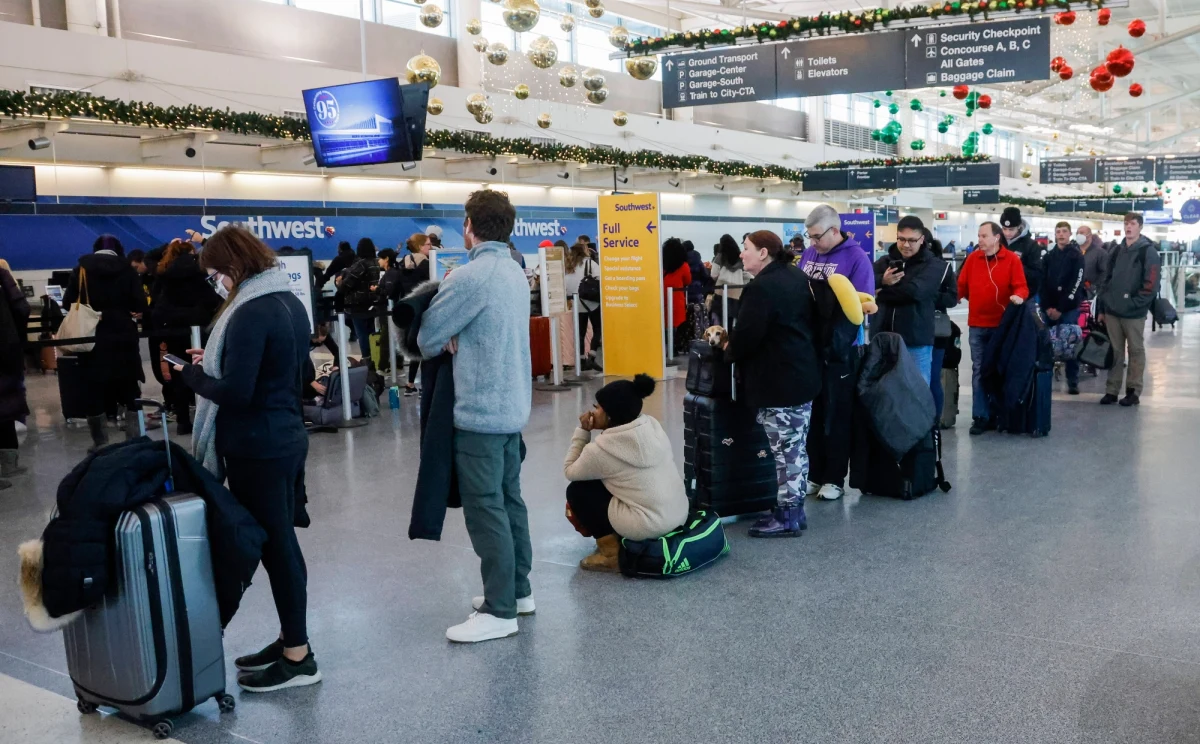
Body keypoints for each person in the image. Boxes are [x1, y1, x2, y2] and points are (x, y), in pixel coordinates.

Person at [170, 225, 318, 693]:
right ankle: (290, 641)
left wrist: (192, 376)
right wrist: (215, 362)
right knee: (278, 545)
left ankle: (299, 657)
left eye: (215, 274)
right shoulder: (288, 302)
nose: (216, 283)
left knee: (277, 548)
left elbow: (236, 393)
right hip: (284, 436)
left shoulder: (251, 311)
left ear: (232, 267)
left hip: (259, 446)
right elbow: (297, 371)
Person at [418, 189, 533, 644]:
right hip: (511, 406)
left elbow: (427, 337)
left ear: (469, 226)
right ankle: (518, 591)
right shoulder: (514, 271)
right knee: (510, 503)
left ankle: (500, 609)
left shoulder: (469, 276)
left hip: (479, 410)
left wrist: (447, 333)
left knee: (485, 510)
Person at [723, 231, 821, 538]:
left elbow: (747, 336)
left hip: (779, 381)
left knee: (786, 450)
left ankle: (788, 515)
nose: (742, 254)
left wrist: (728, 350)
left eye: (747, 248)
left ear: (763, 253)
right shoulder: (794, 276)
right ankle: (793, 509)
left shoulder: (763, 288)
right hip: (801, 374)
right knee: (795, 447)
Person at [563, 374, 687, 572]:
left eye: (598, 407)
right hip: (677, 514)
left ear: (610, 415)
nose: (593, 411)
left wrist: (582, 431)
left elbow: (570, 470)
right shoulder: (652, 425)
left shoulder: (603, 449)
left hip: (647, 525)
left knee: (579, 491)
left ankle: (610, 554)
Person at [798, 205, 874, 501]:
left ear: (834, 230)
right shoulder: (809, 254)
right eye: (809, 236)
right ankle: (815, 474)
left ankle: (835, 477)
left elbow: (862, 306)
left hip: (842, 349)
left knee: (838, 414)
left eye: (816, 236)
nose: (812, 242)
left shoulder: (856, 258)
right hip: (811, 347)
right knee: (813, 413)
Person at [63, 235, 146, 450]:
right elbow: (139, 302)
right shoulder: (128, 269)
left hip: (92, 333)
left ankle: (100, 441)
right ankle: (134, 438)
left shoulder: (80, 269)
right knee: (129, 385)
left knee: (94, 387)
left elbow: (68, 301)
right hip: (123, 333)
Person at [957, 222, 1029, 436]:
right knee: (979, 370)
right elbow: (961, 286)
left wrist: (1019, 296)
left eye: (984, 236)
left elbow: (1022, 286)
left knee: (1001, 369)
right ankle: (981, 416)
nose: (980, 240)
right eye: (978, 235)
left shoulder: (1012, 260)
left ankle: (1001, 413)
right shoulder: (972, 259)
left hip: (1002, 327)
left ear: (997, 237)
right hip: (978, 324)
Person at [151, 239, 222, 435]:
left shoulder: (165, 274)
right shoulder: (200, 272)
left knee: (178, 373)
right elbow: (212, 300)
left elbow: (157, 304)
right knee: (203, 368)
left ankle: (183, 420)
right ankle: (205, 418)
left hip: (174, 330)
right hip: (201, 328)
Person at [871, 216, 952, 385]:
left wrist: (881, 293)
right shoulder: (884, 262)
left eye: (912, 240)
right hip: (883, 338)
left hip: (916, 340)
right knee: (883, 392)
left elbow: (915, 292)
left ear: (922, 239)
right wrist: (883, 281)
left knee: (917, 391)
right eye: (901, 239)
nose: (906, 245)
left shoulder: (935, 265)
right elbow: (864, 282)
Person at [1097, 212, 1160, 407]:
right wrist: (1104, 303)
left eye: (1132, 223)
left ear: (1140, 227)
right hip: (1113, 310)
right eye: (1126, 223)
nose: (1128, 227)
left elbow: (1152, 283)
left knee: (1135, 350)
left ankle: (1133, 390)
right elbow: (1105, 279)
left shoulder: (1147, 251)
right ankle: (1112, 390)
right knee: (1115, 351)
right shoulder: (1116, 251)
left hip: (1134, 313)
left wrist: (1136, 303)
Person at [1041, 221, 1086, 395]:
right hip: (1049, 307)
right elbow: (1042, 283)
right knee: (1046, 343)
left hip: (1068, 307)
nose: (1061, 234)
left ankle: (1073, 381)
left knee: (1071, 344)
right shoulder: (1048, 257)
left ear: (1070, 234)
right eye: (1058, 231)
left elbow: (1076, 283)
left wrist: (1061, 307)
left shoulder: (1077, 256)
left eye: (1064, 231)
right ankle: (1045, 377)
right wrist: (1047, 306)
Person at [0, 262, 30, 490]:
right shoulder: (1, 272)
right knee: (7, 404)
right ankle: (10, 463)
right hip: (4, 347)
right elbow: (22, 308)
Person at [927, 230, 959, 422]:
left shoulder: (943, 269)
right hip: (914, 329)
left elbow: (952, 299)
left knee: (933, 378)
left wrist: (929, 295)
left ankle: (935, 421)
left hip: (936, 330)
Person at [397, 233, 433, 395]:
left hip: (409, 311)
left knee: (414, 348)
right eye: (428, 245)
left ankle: (410, 384)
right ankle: (425, 386)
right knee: (426, 348)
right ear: (419, 247)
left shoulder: (403, 263)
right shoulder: (426, 265)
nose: (431, 248)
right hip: (425, 310)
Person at [336, 238, 381, 360]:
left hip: (357, 303)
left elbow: (348, 283)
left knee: (361, 333)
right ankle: (374, 357)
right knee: (371, 331)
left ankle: (366, 358)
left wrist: (340, 285)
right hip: (372, 301)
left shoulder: (361, 264)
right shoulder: (375, 263)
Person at [563, 239, 602, 371]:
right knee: (598, 329)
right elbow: (600, 279)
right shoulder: (590, 264)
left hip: (576, 304)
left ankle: (581, 360)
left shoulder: (568, 267)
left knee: (580, 332)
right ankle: (592, 354)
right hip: (591, 302)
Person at [999, 207, 1046, 299]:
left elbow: (1037, 274)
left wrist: (1015, 267)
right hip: (999, 295)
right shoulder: (997, 241)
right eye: (1004, 229)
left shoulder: (1031, 245)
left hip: (1022, 296)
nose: (1007, 233)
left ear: (1019, 227)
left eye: (1011, 229)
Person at [710, 234, 752, 326]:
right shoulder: (740, 257)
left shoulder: (720, 257)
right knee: (734, 318)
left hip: (721, 290)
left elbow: (713, 274)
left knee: (719, 316)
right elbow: (746, 274)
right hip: (737, 291)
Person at [662, 238, 691, 354]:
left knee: (663, 321)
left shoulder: (661, 264)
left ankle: (664, 346)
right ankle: (672, 348)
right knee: (674, 323)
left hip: (661, 295)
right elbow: (688, 281)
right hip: (676, 297)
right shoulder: (683, 266)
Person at [1077, 225, 1108, 300]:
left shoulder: (1100, 253)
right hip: (1073, 295)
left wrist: (1092, 287)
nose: (1078, 235)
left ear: (1089, 235)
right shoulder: (1073, 252)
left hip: (1090, 295)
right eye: (1077, 233)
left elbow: (1105, 274)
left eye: (1081, 233)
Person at [682, 239, 711, 306]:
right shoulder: (698, 261)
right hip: (697, 290)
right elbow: (705, 275)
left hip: (685, 290)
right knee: (697, 310)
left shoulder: (682, 261)